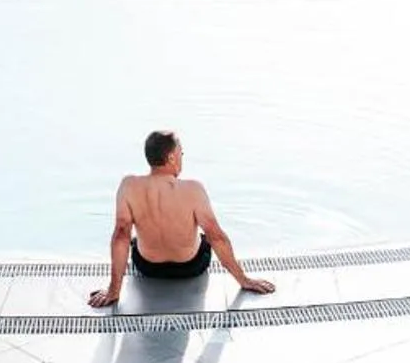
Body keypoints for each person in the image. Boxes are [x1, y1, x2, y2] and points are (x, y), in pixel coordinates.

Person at [87, 130, 274, 309]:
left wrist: (113, 291)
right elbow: (216, 237)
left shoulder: (129, 186)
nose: (182, 157)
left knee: (134, 239)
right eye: (181, 153)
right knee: (205, 236)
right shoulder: (193, 189)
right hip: (190, 267)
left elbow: (121, 236)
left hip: (147, 267)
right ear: (171, 157)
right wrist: (244, 280)